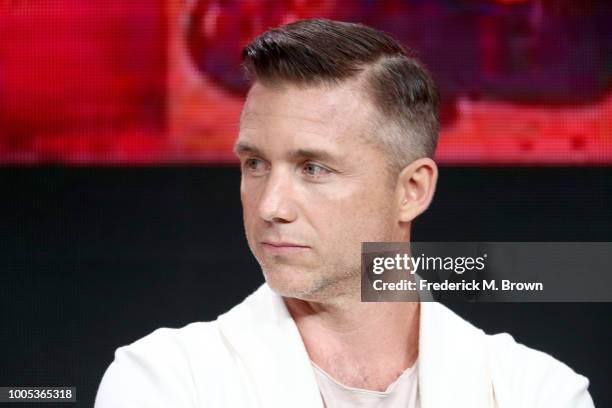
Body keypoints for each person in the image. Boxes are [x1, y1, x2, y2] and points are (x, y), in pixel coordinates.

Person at [95, 19, 594, 407]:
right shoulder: (164, 381)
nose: (271, 206)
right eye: (255, 164)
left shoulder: (533, 391)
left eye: (313, 168)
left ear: (412, 190)